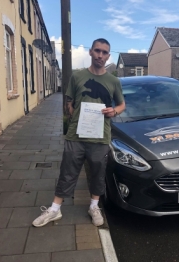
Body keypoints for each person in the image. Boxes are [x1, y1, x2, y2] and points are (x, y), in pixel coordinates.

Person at [32, 38, 125, 227]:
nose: (100, 55)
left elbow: (122, 104)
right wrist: (76, 118)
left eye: (104, 52)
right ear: (90, 52)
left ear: (108, 55)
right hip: (76, 135)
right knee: (67, 171)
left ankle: (94, 206)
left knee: (98, 173)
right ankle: (55, 209)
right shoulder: (77, 76)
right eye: (97, 51)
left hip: (100, 136)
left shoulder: (113, 81)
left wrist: (114, 111)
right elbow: (69, 101)